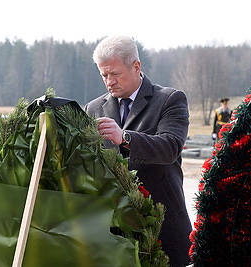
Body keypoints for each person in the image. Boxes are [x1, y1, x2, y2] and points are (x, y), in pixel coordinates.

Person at [84, 36, 192, 266]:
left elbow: (170, 147)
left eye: (115, 74)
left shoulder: (170, 99)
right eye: (104, 75)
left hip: (163, 228)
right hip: (112, 233)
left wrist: (125, 137)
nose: (109, 82)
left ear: (136, 66)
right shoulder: (93, 109)